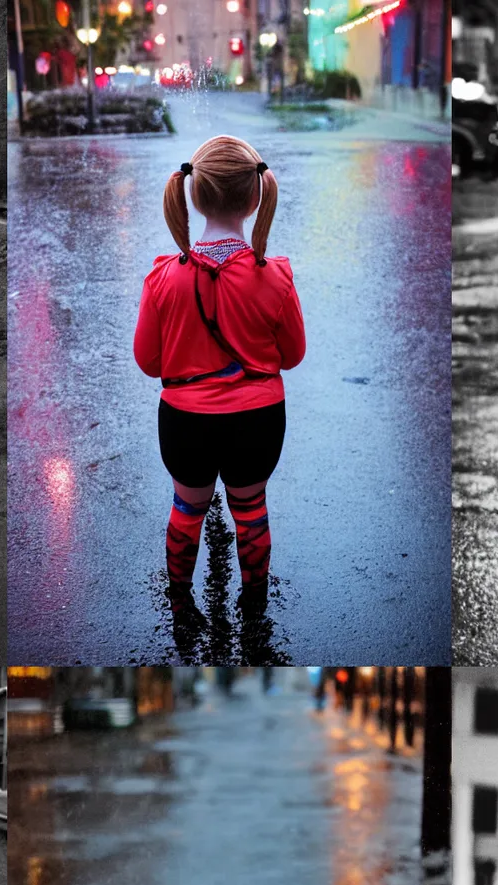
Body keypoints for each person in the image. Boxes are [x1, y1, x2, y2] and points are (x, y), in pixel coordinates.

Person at [134, 136, 306, 628]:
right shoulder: (274, 277)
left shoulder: (164, 278)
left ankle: (181, 603)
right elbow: (292, 356)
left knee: (187, 508)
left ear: (193, 194)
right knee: (250, 509)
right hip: (258, 420)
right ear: (256, 198)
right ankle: (254, 605)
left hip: (186, 422)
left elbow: (148, 362)